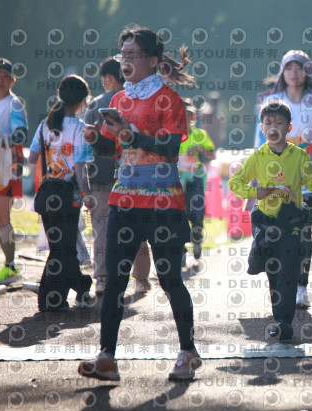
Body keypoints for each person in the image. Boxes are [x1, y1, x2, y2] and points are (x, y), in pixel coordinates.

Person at [78, 25, 200, 381]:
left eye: (133, 55)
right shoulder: (118, 99)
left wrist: (132, 136)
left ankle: (188, 351)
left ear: (153, 60)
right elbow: (111, 148)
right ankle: (107, 357)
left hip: (163, 201)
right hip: (124, 199)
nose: (125, 61)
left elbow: (171, 149)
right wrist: (95, 139)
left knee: (170, 279)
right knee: (115, 280)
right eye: (123, 55)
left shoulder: (169, 99)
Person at [229, 100, 312, 341]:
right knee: (273, 273)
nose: (273, 127)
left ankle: (284, 322)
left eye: (279, 123)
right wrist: (256, 192)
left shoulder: (299, 155)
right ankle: (279, 317)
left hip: (292, 224)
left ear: (289, 128)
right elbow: (235, 183)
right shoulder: (257, 157)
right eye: (268, 123)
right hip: (266, 224)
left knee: (288, 272)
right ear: (262, 128)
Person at [255, 50, 312, 309]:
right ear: (282, 72)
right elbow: (259, 140)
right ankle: (279, 285)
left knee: (303, 234)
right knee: (276, 234)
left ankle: (301, 286)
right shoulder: (271, 101)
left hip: (307, 181)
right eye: (289, 68)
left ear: (307, 72)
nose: (294, 73)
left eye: (299, 68)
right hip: (275, 181)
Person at [84, 57, 152, 295]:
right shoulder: (138, 102)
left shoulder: (95, 105)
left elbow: (89, 143)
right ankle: (141, 279)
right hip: (131, 173)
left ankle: (102, 278)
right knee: (138, 229)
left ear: (109, 78)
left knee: (102, 228)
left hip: (99, 176)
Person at [28, 74, 94, 311]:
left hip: (46, 194)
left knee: (60, 248)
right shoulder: (79, 128)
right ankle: (56, 297)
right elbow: (80, 166)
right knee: (63, 248)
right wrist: (86, 194)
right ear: (82, 101)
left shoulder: (44, 125)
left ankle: (68, 292)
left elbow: (32, 157)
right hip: (68, 196)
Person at [0, 58, 27, 283]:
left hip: (5, 168)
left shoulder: (14, 104)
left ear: (12, 81)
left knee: (2, 216)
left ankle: (10, 266)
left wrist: (1, 140)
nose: (0, 81)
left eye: (5, 77)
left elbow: (21, 134)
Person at [178, 99, 215, 262]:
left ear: (193, 116)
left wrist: (199, 149)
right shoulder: (171, 135)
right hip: (176, 180)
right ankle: (181, 249)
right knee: (177, 214)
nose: (185, 118)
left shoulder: (199, 134)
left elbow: (212, 155)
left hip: (195, 179)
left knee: (197, 213)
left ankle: (197, 242)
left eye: (188, 115)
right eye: (182, 115)